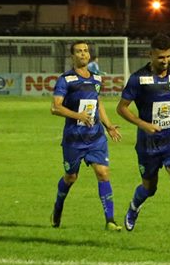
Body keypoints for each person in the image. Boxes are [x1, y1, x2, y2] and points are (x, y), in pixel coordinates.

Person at [117, 33, 170, 254]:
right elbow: (122, 108)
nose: (165, 61)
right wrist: (142, 124)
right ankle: (134, 206)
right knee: (149, 187)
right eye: (160, 57)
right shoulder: (138, 79)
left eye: (168, 56)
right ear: (150, 55)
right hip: (148, 144)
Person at [49, 40, 123, 231]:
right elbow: (55, 107)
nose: (83, 54)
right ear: (72, 56)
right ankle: (58, 207)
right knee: (71, 177)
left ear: (89, 55)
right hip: (74, 138)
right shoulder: (65, 80)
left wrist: (108, 126)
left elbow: (99, 104)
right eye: (79, 51)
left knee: (103, 173)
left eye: (85, 51)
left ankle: (110, 220)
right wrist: (78, 116)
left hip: (95, 137)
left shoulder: (97, 79)